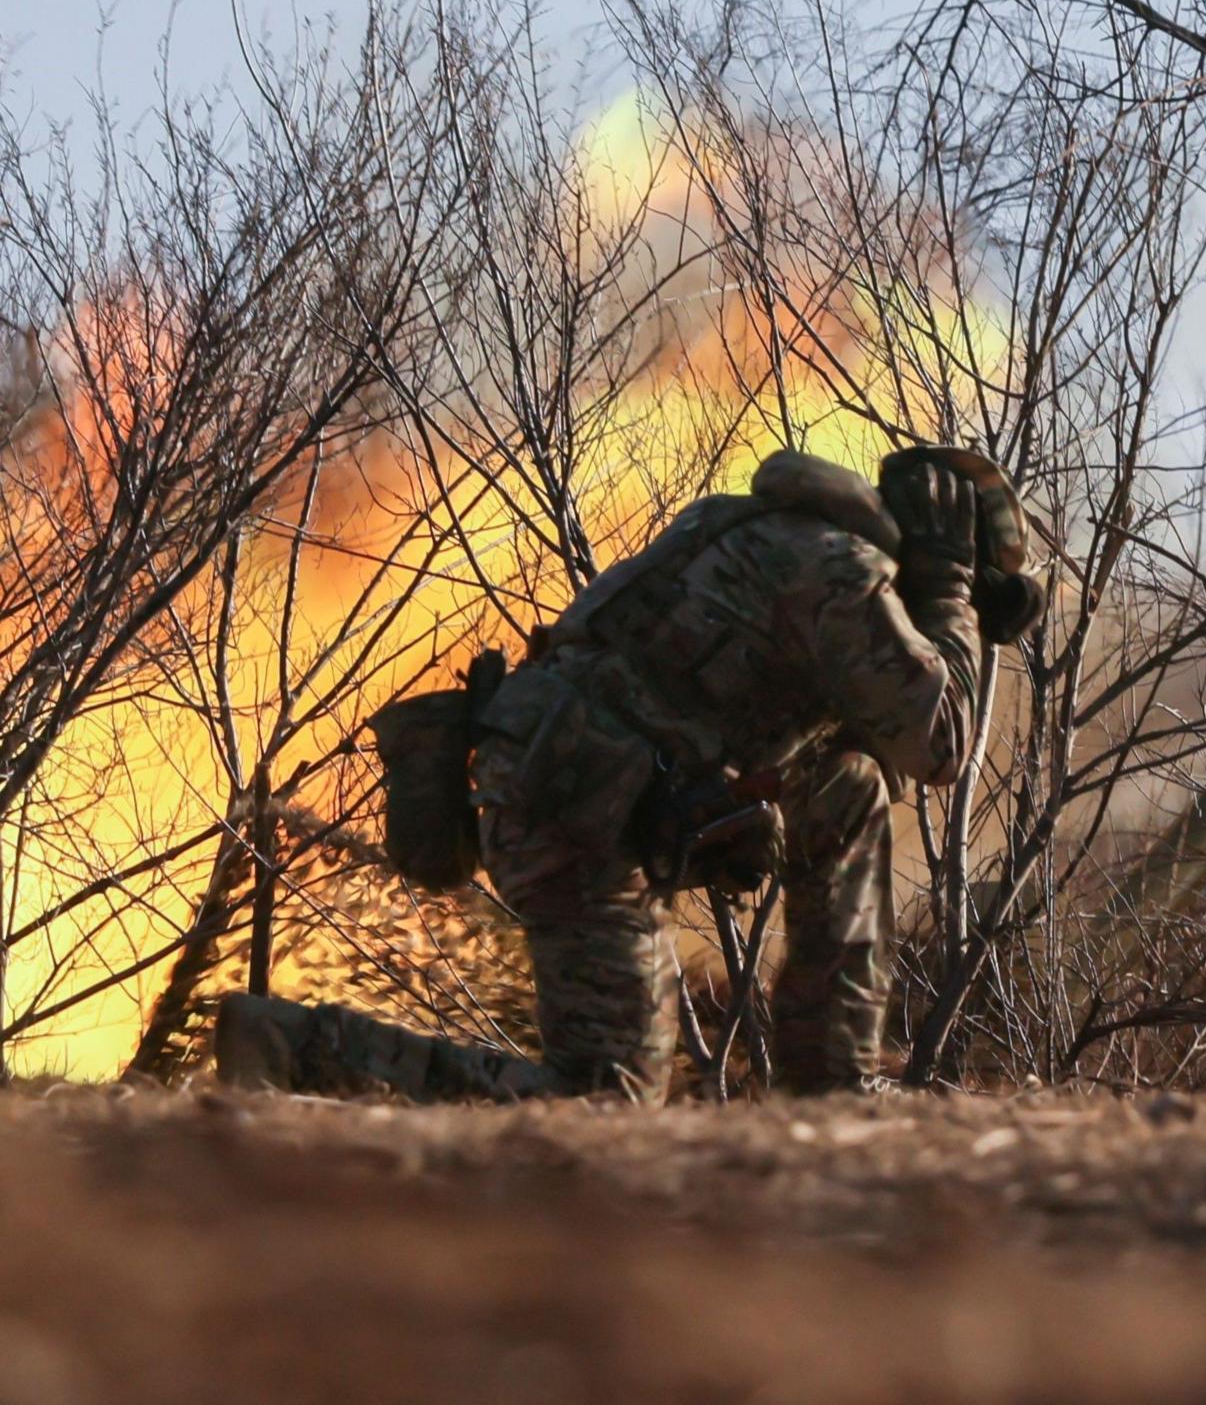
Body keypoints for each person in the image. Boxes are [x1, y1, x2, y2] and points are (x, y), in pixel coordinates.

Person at [213, 445, 1040, 1101]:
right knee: (607, 1099)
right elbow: (939, 743)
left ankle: (831, 1082)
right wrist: (950, 594)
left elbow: (855, 747)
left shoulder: (771, 535)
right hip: (572, 801)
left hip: (574, 783)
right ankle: (290, 1048)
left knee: (850, 786)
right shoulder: (834, 573)